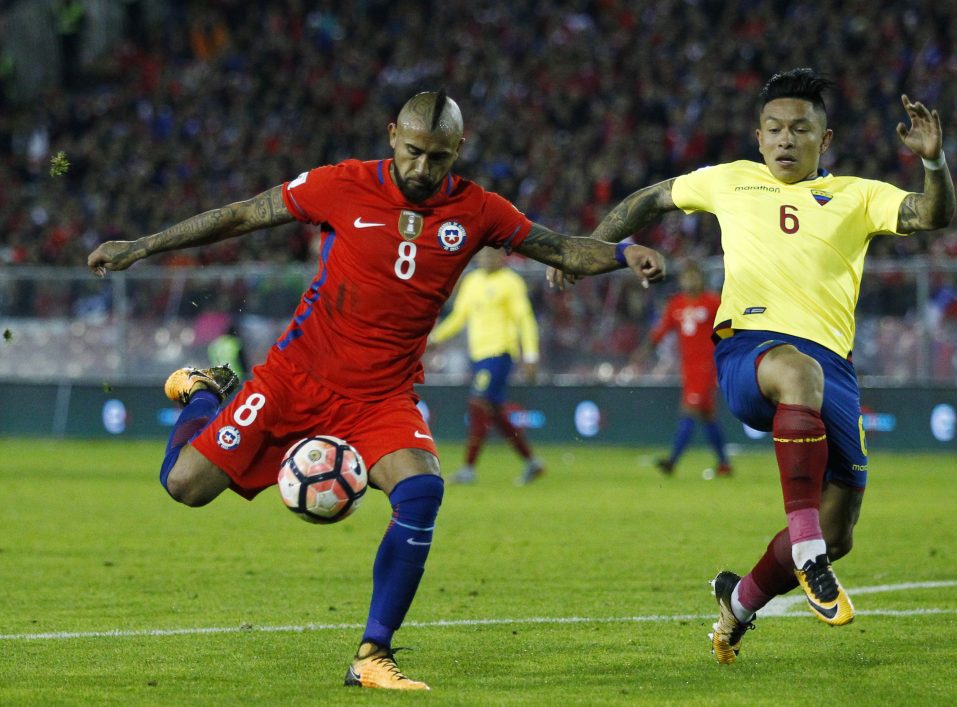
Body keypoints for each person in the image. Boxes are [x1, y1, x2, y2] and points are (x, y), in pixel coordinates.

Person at [87, 90, 666, 690]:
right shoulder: (342, 184)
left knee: (421, 489)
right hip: (296, 376)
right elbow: (245, 213)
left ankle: (372, 654)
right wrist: (143, 245)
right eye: (413, 151)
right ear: (392, 135)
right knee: (183, 486)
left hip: (382, 395)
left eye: (438, 157)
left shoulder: (479, 210)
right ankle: (207, 393)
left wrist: (626, 253)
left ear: (458, 151)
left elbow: (559, 245)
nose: (422, 168)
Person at [550, 69, 954, 662]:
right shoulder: (729, 182)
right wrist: (591, 250)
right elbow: (650, 199)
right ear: (758, 137)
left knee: (841, 530)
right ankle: (807, 554)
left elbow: (932, 215)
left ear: (826, 138)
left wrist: (935, 162)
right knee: (796, 378)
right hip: (751, 350)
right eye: (774, 129)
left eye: (799, 129)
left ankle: (736, 605)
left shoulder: (857, 195)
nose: (785, 140)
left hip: (832, 372)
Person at [427, 247, 545, 485]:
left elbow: (525, 319)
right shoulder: (472, 281)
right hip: (479, 355)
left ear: (502, 257)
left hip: (500, 352)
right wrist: (434, 338)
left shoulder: (511, 282)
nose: (486, 259)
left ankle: (468, 468)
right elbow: (459, 317)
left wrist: (531, 355)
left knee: (477, 402)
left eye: (491, 255)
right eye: (482, 255)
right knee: (495, 412)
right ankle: (532, 463)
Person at [630, 259, 731, 477]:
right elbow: (661, 330)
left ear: (701, 279)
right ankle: (724, 464)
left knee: (689, 411)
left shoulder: (712, 303)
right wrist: (644, 351)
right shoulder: (676, 304)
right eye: (686, 276)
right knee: (707, 416)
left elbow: (727, 329)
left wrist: (725, 349)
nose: (690, 280)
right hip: (688, 367)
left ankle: (672, 461)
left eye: (694, 276)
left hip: (706, 366)